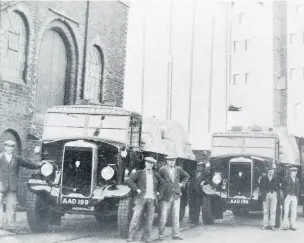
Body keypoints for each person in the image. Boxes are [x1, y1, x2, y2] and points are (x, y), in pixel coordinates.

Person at [0, 140, 44, 232]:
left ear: (14, 148)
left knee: (11, 207)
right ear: (5, 147)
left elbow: (28, 163)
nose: (10, 148)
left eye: (12, 146)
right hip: (1, 185)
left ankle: (12, 226)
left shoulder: (17, 158)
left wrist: (39, 164)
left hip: (12, 187)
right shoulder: (0, 157)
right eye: (8, 146)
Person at [125, 157, 164, 243]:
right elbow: (128, 180)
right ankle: (130, 237)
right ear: (145, 163)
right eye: (148, 162)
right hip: (141, 198)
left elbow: (163, 183)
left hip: (152, 199)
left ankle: (147, 237)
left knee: (150, 219)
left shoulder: (155, 174)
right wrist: (137, 189)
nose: (150, 164)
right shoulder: (139, 173)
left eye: (152, 163)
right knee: (136, 217)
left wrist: (158, 193)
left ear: (153, 165)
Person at [158, 154, 190, 241]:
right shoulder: (162, 169)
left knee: (176, 216)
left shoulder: (178, 169)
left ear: (175, 161)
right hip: (165, 196)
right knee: (163, 216)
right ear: (167, 161)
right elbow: (158, 180)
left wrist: (181, 184)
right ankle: (161, 235)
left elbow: (187, 176)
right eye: (170, 160)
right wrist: (160, 190)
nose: (172, 162)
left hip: (176, 195)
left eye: (173, 160)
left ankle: (176, 234)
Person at [259, 163, 280, 231]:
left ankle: (272, 225)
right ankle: (265, 225)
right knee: (265, 210)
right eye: (269, 170)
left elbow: (279, 187)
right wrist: (263, 194)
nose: (271, 171)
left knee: (273, 210)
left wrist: (276, 193)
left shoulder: (276, 177)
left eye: (272, 170)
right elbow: (260, 187)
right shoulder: (263, 177)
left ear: (274, 171)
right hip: (266, 195)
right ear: (267, 171)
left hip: (273, 195)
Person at [282, 166, 300, 231]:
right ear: (290, 172)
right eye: (293, 171)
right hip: (288, 196)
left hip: (294, 196)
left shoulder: (297, 179)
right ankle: (285, 225)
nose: (294, 173)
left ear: (296, 172)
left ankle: (292, 225)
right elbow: (282, 187)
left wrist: (296, 196)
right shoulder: (286, 179)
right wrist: (285, 195)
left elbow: (298, 188)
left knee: (294, 212)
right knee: (286, 211)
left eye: (295, 172)